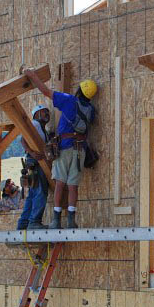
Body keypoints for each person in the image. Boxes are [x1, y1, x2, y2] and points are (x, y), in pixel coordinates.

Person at [31, 79, 97, 229]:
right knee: (73, 186)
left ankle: (56, 220)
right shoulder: (90, 110)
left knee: (60, 184)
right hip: (80, 150)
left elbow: (46, 91)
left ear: (79, 89)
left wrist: (31, 75)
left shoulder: (68, 100)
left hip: (65, 147)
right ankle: (71, 221)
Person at [16, 104, 51, 230]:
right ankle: (34, 221)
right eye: (44, 112)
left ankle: (23, 223)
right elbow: (23, 140)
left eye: (48, 112)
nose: (47, 114)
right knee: (41, 192)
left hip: (33, 164)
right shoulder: (35, 124)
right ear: (36, 114)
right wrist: (32, 152)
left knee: (32, 194)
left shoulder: (43, 130)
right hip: (35, 163)